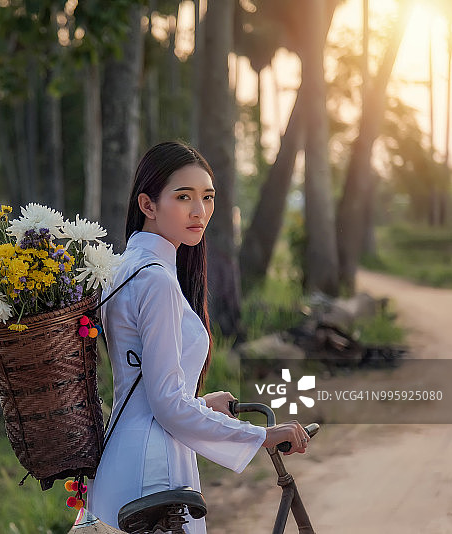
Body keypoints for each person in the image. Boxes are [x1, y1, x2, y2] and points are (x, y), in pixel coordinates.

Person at [87, 141, 310, 533]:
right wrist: (261, 435)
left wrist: (202, 403)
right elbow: (167, 406)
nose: (199, 211)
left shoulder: (126, 268)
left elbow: (146, 388)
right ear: (148, 205)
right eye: (183, 197)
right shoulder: (156, 280)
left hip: (123, 457)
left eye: (207, 198)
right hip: (153, 471)